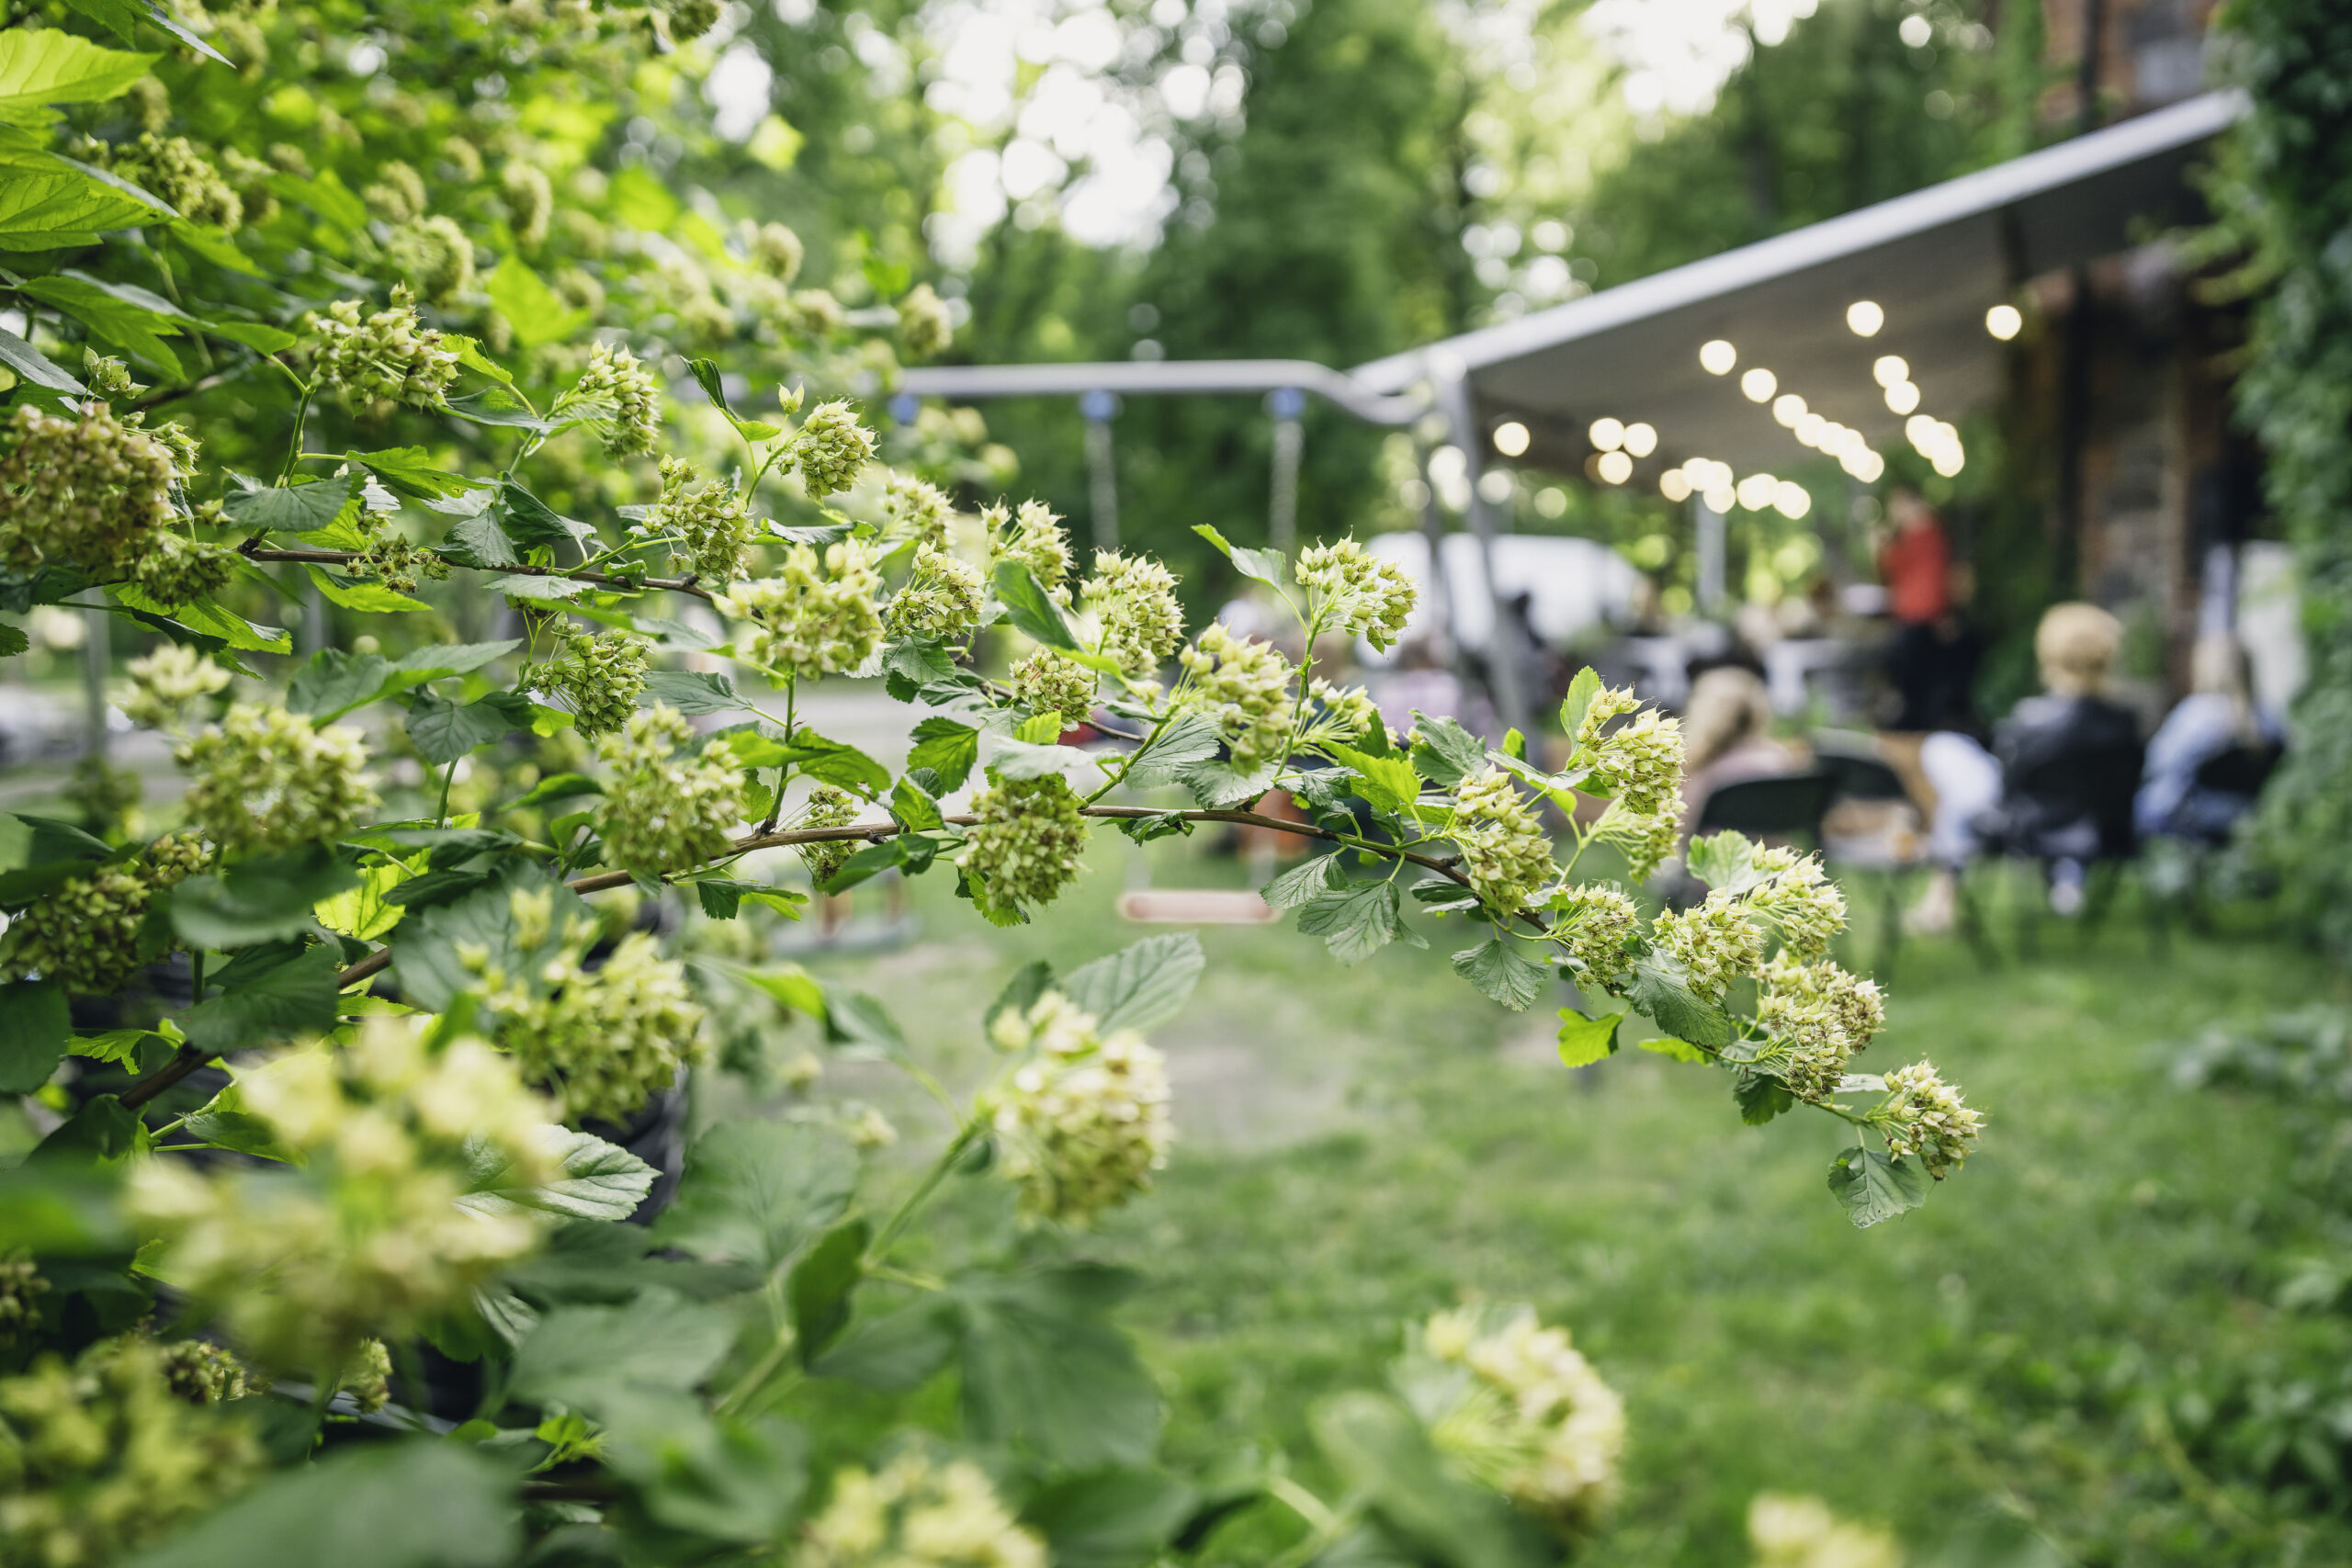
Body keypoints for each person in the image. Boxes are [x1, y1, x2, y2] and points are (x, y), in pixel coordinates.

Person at [1906, 602, 2138, 930]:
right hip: (2097, 829)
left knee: (1941, 748)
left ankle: (1941, 898)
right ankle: (2067, 879)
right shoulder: (2123, 723)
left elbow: (2008, 785)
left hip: (2026, 826)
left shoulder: (2032, 720)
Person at [2136, 632, 2280, 841]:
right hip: (2246, 817)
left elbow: (2158, 763)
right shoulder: (2271, 719)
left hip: (2191, 819)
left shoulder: (2195, 714)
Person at [1877, 489, 1978, 731]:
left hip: (1927, 615)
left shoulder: (1930, 534)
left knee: (1923, 675)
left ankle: (1926, 721)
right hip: (1914, 614)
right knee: (1915, 674)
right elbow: (1892, 570)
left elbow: (1938, 578)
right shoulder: (1907, 538)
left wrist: (1946, 613)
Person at [1679, 665, 1804, 828]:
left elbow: (1681, 821)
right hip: (1770, 851)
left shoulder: (1701, 771)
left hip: (1709, 850)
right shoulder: (1777, 758)